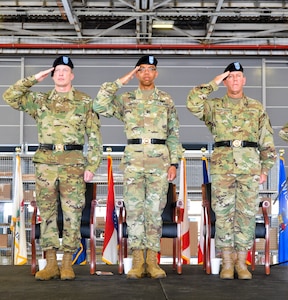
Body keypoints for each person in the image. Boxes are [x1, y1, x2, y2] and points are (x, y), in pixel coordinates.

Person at [3, 55, 103, 281]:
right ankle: (50, 263)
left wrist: (92, 165)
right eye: (56, 70)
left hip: (73, 163)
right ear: (51, 75)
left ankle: (67, 262)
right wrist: (33, 79)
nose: (60, 74)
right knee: (47, 213)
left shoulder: (85, 101)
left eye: (64, 70)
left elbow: (95, 137)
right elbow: (10, 95)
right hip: (46, 163)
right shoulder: (41, 100)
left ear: (71, 75)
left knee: (72, 213)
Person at [93, 55, 181, 279]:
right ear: (136, 73)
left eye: (151, 69)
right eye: (141, 70)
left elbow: (173, 133)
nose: (147, 74)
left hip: (159, 159)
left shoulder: (166, 99)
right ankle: (137, 260)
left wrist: (174, 163)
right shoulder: (126, 99)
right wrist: (122, 80)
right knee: (134, 211)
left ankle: (152, 260)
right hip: (133, 159)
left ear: (156, 73)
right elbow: (99, 104)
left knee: (154, 211)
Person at [186, 62, 276, 280]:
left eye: (238, 76)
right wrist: (213, 83)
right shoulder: (214, 106)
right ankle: (227, 262)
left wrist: (265, 168)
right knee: (224, 215)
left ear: (244, 80)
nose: (235, 80)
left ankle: (241, 262)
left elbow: (267, 139)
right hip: (223, 167)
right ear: (225, 81)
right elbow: (193, 103)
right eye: (230, 76)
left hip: (249, 167)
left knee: (245, 215)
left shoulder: (256, 107)